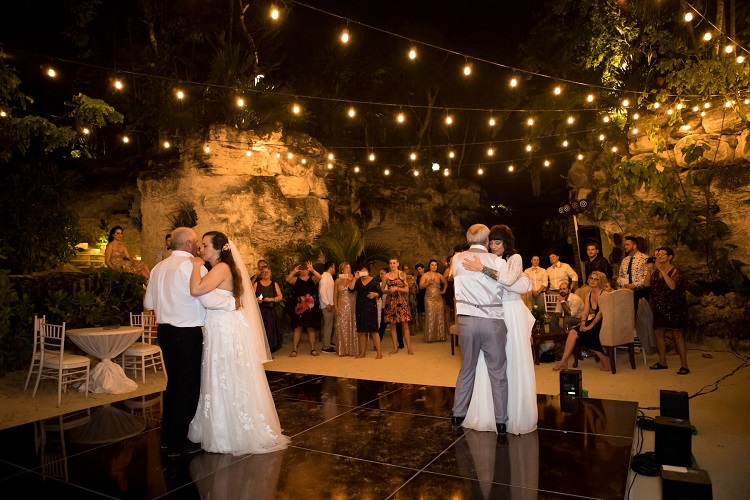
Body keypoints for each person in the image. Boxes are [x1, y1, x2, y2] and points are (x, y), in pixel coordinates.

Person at [186, 231, 289, 455]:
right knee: (224, 374)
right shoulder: (221, 268)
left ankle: (232, 429)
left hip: (224, 328)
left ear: (219, 248)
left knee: (226, 373)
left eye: (205, 246)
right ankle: (224, 424)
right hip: (222, 325)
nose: (201, 250)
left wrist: (195, 266)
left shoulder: (221, 268)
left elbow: (196, 290)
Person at [143, 227, 237, 458]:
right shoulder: (191, 266)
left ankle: (167, 438)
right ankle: (176, 443)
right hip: (187, 333)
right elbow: (206, 298)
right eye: (196, 243)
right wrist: (231, 304)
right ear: (187, 245)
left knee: (173, 385)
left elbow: (148, 304)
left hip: (164, 332)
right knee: (187, 388)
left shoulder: (158, 268)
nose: (198, 247)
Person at [462, 224, 537, 435]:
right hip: (491, 311)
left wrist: (483, 270)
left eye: (498, 242)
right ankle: (489, 414)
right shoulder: (487, 258)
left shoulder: (515, 258)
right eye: (491, 242)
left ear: (506, 242)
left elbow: (509, 280)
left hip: (511, 312)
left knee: (513, 358)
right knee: (490, 362)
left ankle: (514, 414)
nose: (494, 246)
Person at [450, 224, 509, 436]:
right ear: (487, 241)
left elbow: (453, 280)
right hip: (491, 319)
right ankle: (501, 421)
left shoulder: (456, 259)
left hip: (466, 320)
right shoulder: (497, 261)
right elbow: (506, 286)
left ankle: (457, 414)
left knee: (467, 367)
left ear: (468, 239)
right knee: (498, 371)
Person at [552, 271, 612, 372]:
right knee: (573, 332)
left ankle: (605, 359)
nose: (592, 281)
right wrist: (583, 323)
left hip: (605, 321)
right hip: (594, 320)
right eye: (591, 278)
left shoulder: (604, 294)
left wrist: (589, 326)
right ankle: (564, 361)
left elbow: (600, 313)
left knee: (586, 334)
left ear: (600, 281)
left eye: (596, 279)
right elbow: (585, 312)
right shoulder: (589, 295)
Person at [645, 247, 690, 374]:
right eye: (658, 254)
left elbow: (672, 286)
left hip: (674, 307)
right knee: (659, 333)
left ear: (670, 257)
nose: (659, 256)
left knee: (677, 334)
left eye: (662, 254)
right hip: (659, 307)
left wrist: (661, 270)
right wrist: (649, 269)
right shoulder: (655, 272)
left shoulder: (675, 270)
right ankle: (662, 361)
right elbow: (646, 284)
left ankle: (684, 365)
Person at [285, 262, 322, 356]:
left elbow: (320, 277)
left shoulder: (312, 279)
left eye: (305, 269)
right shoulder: (296, 279)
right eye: (302, 269)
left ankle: (313, 349)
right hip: (300, 308)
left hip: (311, 308)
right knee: (298, 328)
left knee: (311, 328)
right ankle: (294, 349)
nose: (304, 271)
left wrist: (312, 270)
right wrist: (294, 271)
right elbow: (287, 279)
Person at [349, 263, 383, 359]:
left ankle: (379, 353)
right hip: (360, 306)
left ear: (368, 271)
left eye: (365, 270)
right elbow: (350, 289)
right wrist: (355, 278)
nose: (363, 273)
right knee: (361, 331)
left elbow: (380, 292)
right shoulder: (358, 281)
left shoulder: (374, 280)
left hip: (371, 306)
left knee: (374, 330)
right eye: (361, 271)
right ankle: (362, 352)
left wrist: (375, 294)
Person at [382, 258, 414, 355]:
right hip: (391, 302)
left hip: (401, 301)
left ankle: (409, 348)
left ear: (398, 264)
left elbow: (407, 290)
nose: (392, 265)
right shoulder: (386, 276)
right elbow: (382, 290)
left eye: (394, 263)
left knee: (405, 325)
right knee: (392, 325)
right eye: (390, 263)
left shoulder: (402, 274)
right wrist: (389, 291)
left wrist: (397, 288)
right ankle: (395, 347)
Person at [253, 267, 283, 352]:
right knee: (261, 331)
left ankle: (270, 349)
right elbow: (250, 297)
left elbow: (280, 297)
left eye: (268, 272)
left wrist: (271, 299)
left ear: (271, 273)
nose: (266, 274)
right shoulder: (256, 284)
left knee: (271, 330)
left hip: (271, 312)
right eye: (264, 272)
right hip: (260, 311)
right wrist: (257, 300)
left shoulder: (274, 284)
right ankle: (262, 350)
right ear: (261, 274)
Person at [617, 235, 649, 313]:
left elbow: (647, 277)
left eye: (627, 245)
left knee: (640, 315)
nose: (625, 247)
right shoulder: (625, 260)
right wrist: (621, 283)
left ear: (634, 246)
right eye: (625, 245)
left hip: (640, 293)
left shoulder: (644, 258)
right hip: (626, 292)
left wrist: (635, 285)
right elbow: (620, 275)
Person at [333, 262, 357, 356]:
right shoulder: (337, 281)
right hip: (341, 304)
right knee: (342, 325)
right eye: (347, 268)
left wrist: (353, 280)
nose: (349, 269)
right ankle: (342, 349)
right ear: (342, 269)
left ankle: (352, 349)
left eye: (349, 267)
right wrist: (336, 307)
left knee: (352, 324)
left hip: (352, 304)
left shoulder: (352, 279)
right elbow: (335, 295)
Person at [420, 259, 446, 342]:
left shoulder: (439, 275)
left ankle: (440, 336)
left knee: (439, 316)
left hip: (438, 298)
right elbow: (420, 286)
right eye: (432, 265)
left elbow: (446, 283)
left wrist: (443, 291)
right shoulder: (425, 275)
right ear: (429, 266)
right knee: (430, 315)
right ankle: (430, 337)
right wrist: (428, 283)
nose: (434, 266)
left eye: (435, 265)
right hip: (429, 298)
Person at [319, 260, 337, 354]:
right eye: (334, 267)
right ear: (330, 268)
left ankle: (331, 342)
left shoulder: (329, 277)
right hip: (327, 305)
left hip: (331, 304)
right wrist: (327, 303)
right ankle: (326, 346)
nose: (335, 269)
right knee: (328, 326)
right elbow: (322, 291)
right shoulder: (324, 277)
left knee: (331, 325)